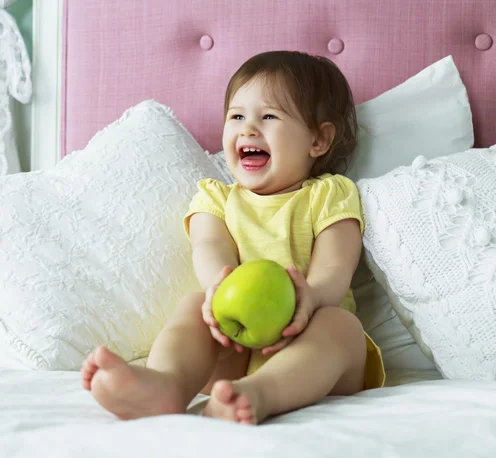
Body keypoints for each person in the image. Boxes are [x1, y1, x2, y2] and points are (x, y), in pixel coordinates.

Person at [80, 50, 385, 425]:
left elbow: (337, 263)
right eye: (237, 116)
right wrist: (217, 290)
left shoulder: (328, 194)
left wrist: (312, 297)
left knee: (343, 327)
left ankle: (262, 393)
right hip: (233, 350)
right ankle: (165, 385)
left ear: (318, 140)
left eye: (269, 116)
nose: (248, 129)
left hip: (314, 352)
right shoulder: (217, 198)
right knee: (193, 306)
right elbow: (209, 248)